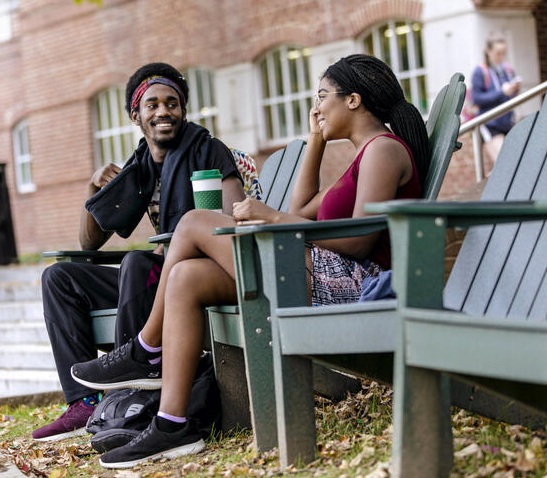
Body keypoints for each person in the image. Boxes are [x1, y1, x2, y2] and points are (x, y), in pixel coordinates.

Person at [70, 54, 430, 468]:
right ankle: (172, 425)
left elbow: (361, 240)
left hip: (352, 283)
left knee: (191, 222)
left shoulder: (382, 151)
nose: (316, 108)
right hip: (323, 271)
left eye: (322, 96)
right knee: (185, 277)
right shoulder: (363, 154)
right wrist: (315, 141)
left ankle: (147, 349)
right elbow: (303, 207)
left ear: (353, 100)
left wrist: (270, 217)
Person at [32, 62, 245, 441]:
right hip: (154, 282)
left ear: (182, 110)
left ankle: (132, 394)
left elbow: (232, 221)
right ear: (137, 115)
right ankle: (84, 402)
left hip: (193, 275)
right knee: (58, 277)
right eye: (152, 105)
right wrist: (92, 192)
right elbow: (90, 244)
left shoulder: (208, 151)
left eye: (172, 103)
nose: (163, 111)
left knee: (136, 261)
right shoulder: (140, 167)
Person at [471, 33, 520, 165]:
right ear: (488, 51)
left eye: (504, 52)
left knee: (515, 164)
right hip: (490, 124)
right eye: (498, 53)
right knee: (503, 164)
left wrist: (514, 89)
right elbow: (477, 99)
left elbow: (511, 97)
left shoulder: (508, 70)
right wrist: (501, 92)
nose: (501, 56)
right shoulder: (480, 72)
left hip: (508, 122)